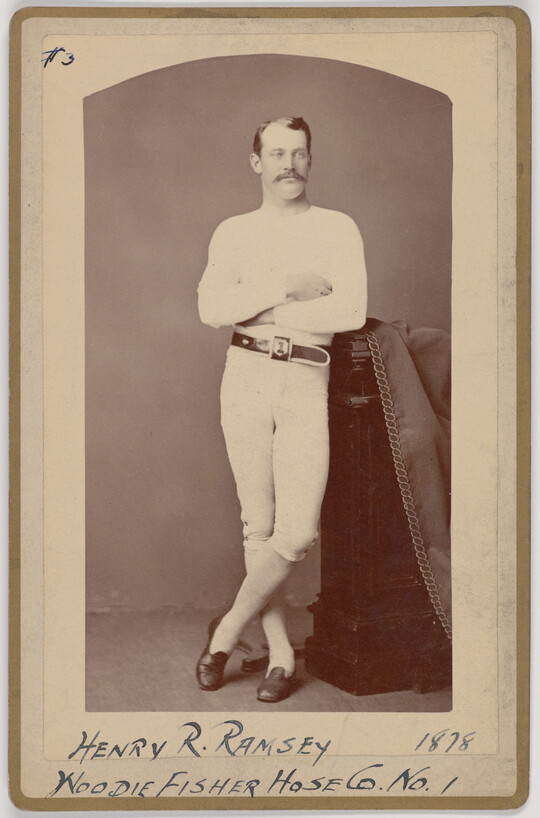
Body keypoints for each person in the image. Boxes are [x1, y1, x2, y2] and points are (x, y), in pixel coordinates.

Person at [196, 116, 368, 702]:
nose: (287, 164)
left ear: (311, 160)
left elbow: (348, 313)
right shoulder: (233, 231)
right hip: (244, 377)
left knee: (296, 533)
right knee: (258, 525)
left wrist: (262, 309)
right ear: (256, 162)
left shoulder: (338, 228)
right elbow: (214, 311)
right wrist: (287, 286)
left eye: (298, 153)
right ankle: (281, 654)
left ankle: (224, 633)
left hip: (304, 380)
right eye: (275, 153)